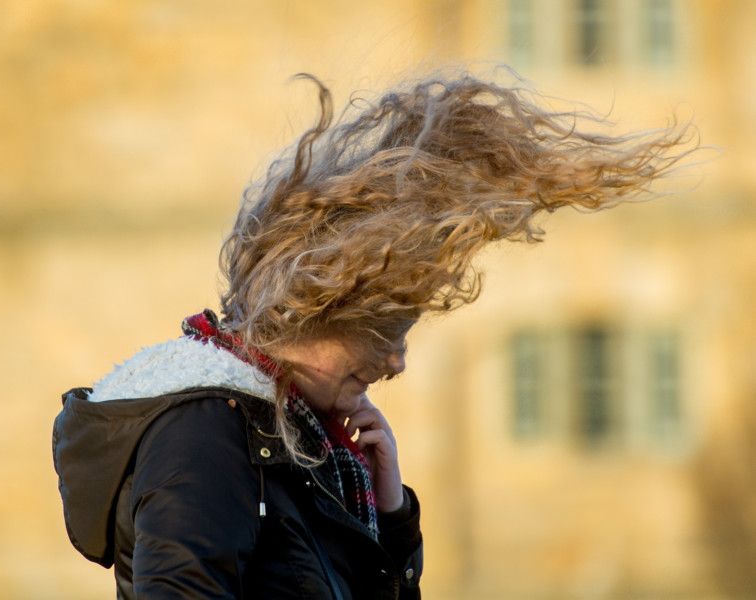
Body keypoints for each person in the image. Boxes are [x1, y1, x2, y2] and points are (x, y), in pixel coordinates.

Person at [52, 73, 695, 599]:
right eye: (386, 329)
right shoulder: (203, 434)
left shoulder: (303, 446)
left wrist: (390, 523)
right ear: (318, 307)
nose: (397, 360)